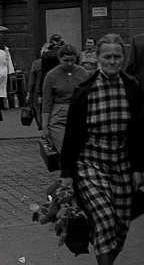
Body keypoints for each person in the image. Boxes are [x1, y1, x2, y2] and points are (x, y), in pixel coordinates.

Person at [60, 33, 144, 265]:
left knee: (120, 226)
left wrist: (139, 168)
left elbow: (139, 131)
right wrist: (66, 173)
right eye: (107, 57)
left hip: (122, 163)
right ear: (98, 58)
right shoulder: (84, 90)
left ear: (123, 58)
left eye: (117, 57)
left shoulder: (132, 87)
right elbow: (71, 135)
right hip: (91, 164)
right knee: (105, 219)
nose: (112, 61)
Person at [43, 44, 90, 156]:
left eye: (72, 60)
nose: (69, 63)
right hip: (59, 116)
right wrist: (45, 126)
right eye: (66, 60)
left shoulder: (83, 73)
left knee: (79, 150)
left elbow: (89, 96)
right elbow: (47, 102)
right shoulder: (51, 75)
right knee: (65, 150)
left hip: (79, 115)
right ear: (59, 59)